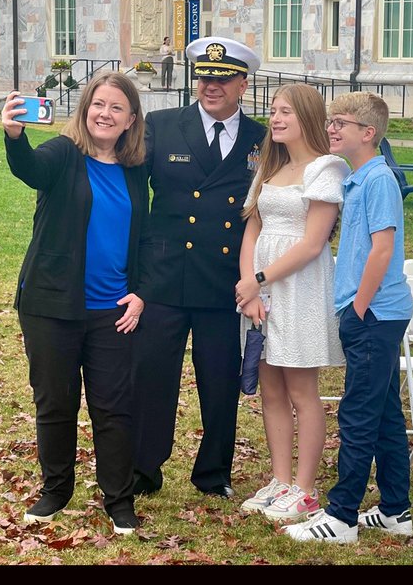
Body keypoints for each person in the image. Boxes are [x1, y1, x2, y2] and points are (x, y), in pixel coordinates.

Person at [2, 71, 150, 534]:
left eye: (116, 108)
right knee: (56, 404)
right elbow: (30, 169)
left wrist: (141, 292)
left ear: (130, 120)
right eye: (98, 104)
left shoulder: (134, 169)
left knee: (114, 407)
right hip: (51, 306)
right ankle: (56, 490)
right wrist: (14, 135)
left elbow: (144, 237)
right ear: (86, 109)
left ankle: (118, 499)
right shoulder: (64, 154)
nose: (105, 114)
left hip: (114, 311)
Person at [131, 36, 267, 499]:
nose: (212, 86)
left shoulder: (261, 139)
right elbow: (129, 188)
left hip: (223, 282)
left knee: (220, 383)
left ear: (243, 84)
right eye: (205, 77)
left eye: (223, 78)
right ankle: (144, 471)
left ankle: (213, 475)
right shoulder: (164, 125)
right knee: (154, 380)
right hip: (164, 277)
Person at [288, 92, 413, 543]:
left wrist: (358, 306)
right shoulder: (360, 178)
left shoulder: (377, 180)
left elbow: (382, 249)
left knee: (359, 413)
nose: (332, 129)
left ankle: (341, 517)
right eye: (330, 121)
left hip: (374, 314)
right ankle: (396, 510)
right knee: (383, 412)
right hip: (373, 313)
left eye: (341, 122)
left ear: (369, 133)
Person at [233, 84, 347, 522]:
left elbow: (313, 243)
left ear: (308, 118)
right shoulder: (269, 168)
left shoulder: (326, 169)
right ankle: (280, 479)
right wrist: (250, 287)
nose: (276, 119)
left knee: (302, 390)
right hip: (261, 293)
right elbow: (251, 230)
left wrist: (261, 278)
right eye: (274, 111)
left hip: (299, 289)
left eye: (286, 112)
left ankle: (304, 487)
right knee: (271, 387)